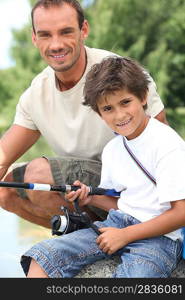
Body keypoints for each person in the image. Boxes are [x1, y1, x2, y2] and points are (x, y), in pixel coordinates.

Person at [0, 0, 168, 228]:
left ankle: (123, 230)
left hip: (131, 188)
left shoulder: (120, 74)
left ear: (84, 30)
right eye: (45, 35)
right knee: (5, 190)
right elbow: (3, 155)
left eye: (66, 32)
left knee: (37, 174)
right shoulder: (35, 94)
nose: (56, 44)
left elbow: (165, 145)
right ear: (34, 38)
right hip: (83, 192)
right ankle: (91, 236)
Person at [20, 56, 185, 278]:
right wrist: (89, 198)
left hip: (161, 238)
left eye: (125, 102)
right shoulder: (113, 149)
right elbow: (126, 203)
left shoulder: (167, 143)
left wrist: (125, 235)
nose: (119, 115)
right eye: (108, 108)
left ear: (144, 97)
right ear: (99, 113)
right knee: (41, 258)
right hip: (117, 224)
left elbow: (181, 213)